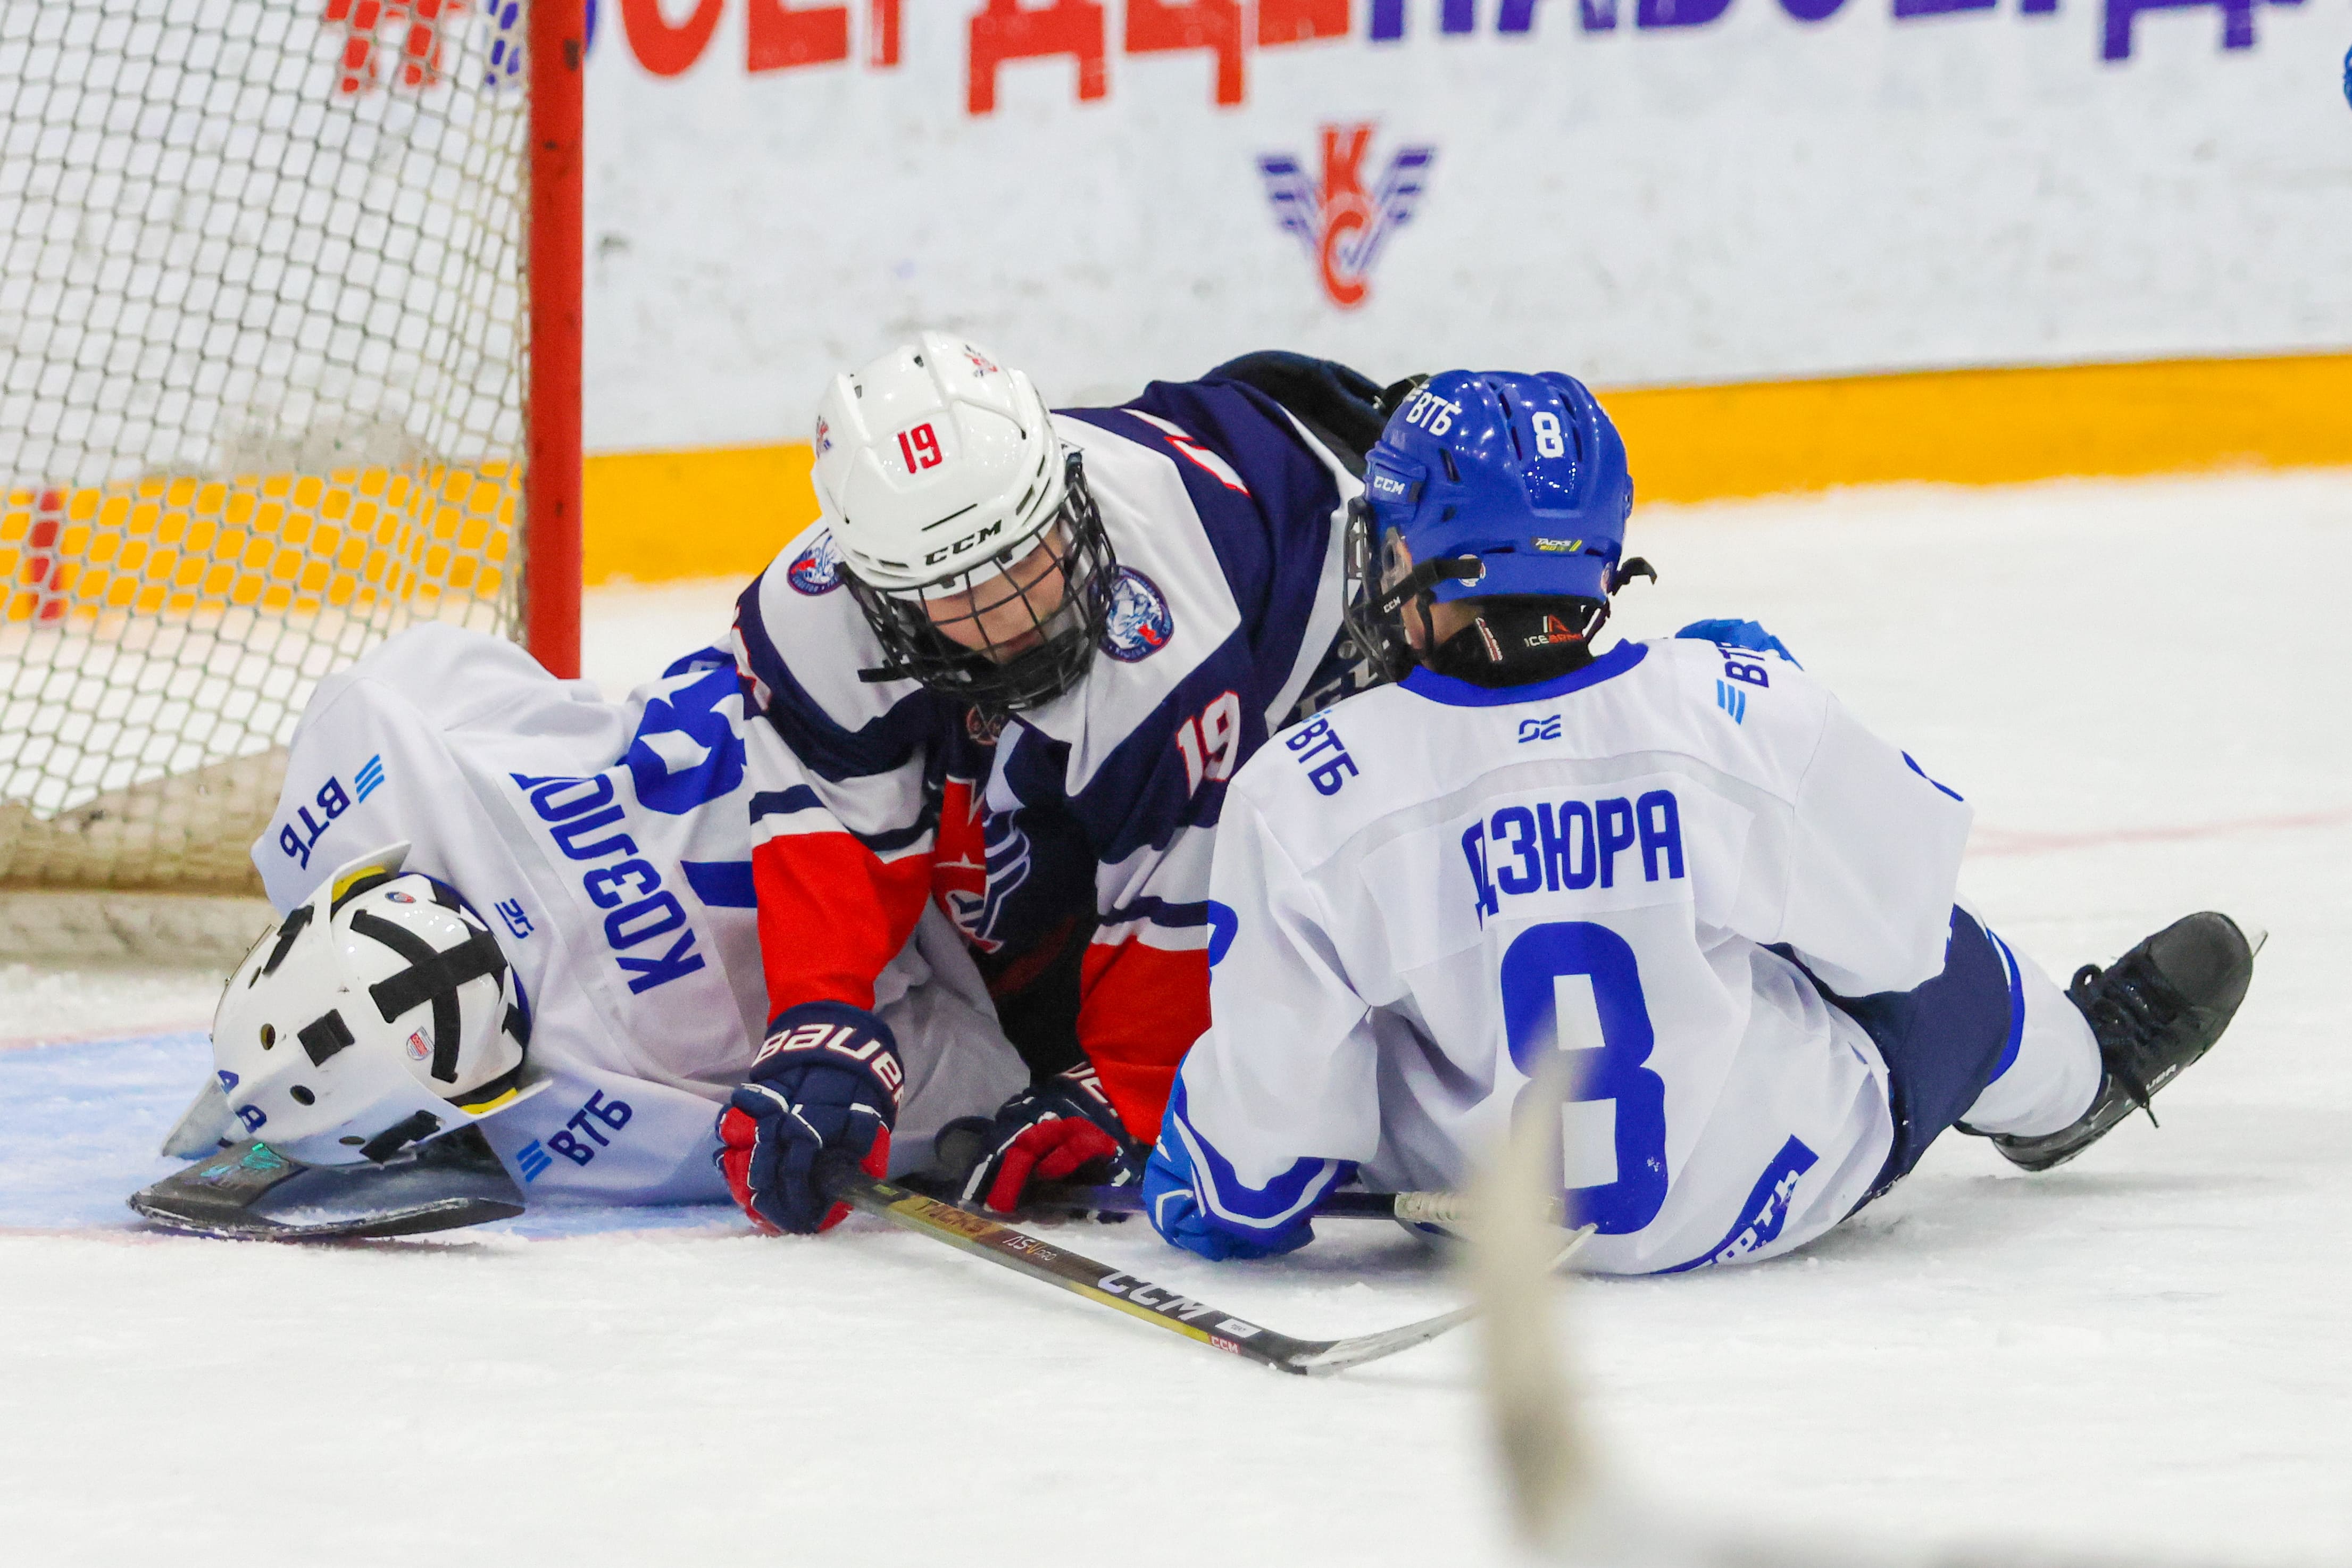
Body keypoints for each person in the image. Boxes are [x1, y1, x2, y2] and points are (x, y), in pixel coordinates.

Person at [1140, 370, 2258, 1272]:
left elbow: (1265, 1158)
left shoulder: (1299, 791)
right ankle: (2078, 1082)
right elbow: (1902, 935)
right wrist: (1775, 762)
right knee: (1931, 945)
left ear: (1427, 560)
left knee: (1368, 1001)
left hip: (1487, 1221)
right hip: (1765, 1192)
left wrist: (1215, 1185)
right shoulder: (1735, 709)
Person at [719, 333, 1395, 1232]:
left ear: (1070, 494)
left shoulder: (1164, 632)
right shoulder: (804, 617)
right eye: (951, 593)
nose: (1008, 616)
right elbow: (832, 830)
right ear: (868, 587)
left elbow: (1181, 891)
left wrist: (1119, 1091)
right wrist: (821, 1021)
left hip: (1324, 618)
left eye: (1024, 557)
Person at [201, 622, 1027, 1222]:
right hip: (859, 664)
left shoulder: (593, 1120)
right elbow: (491, 669)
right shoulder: (366, 762)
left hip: (992, 857)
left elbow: (974, 1081)